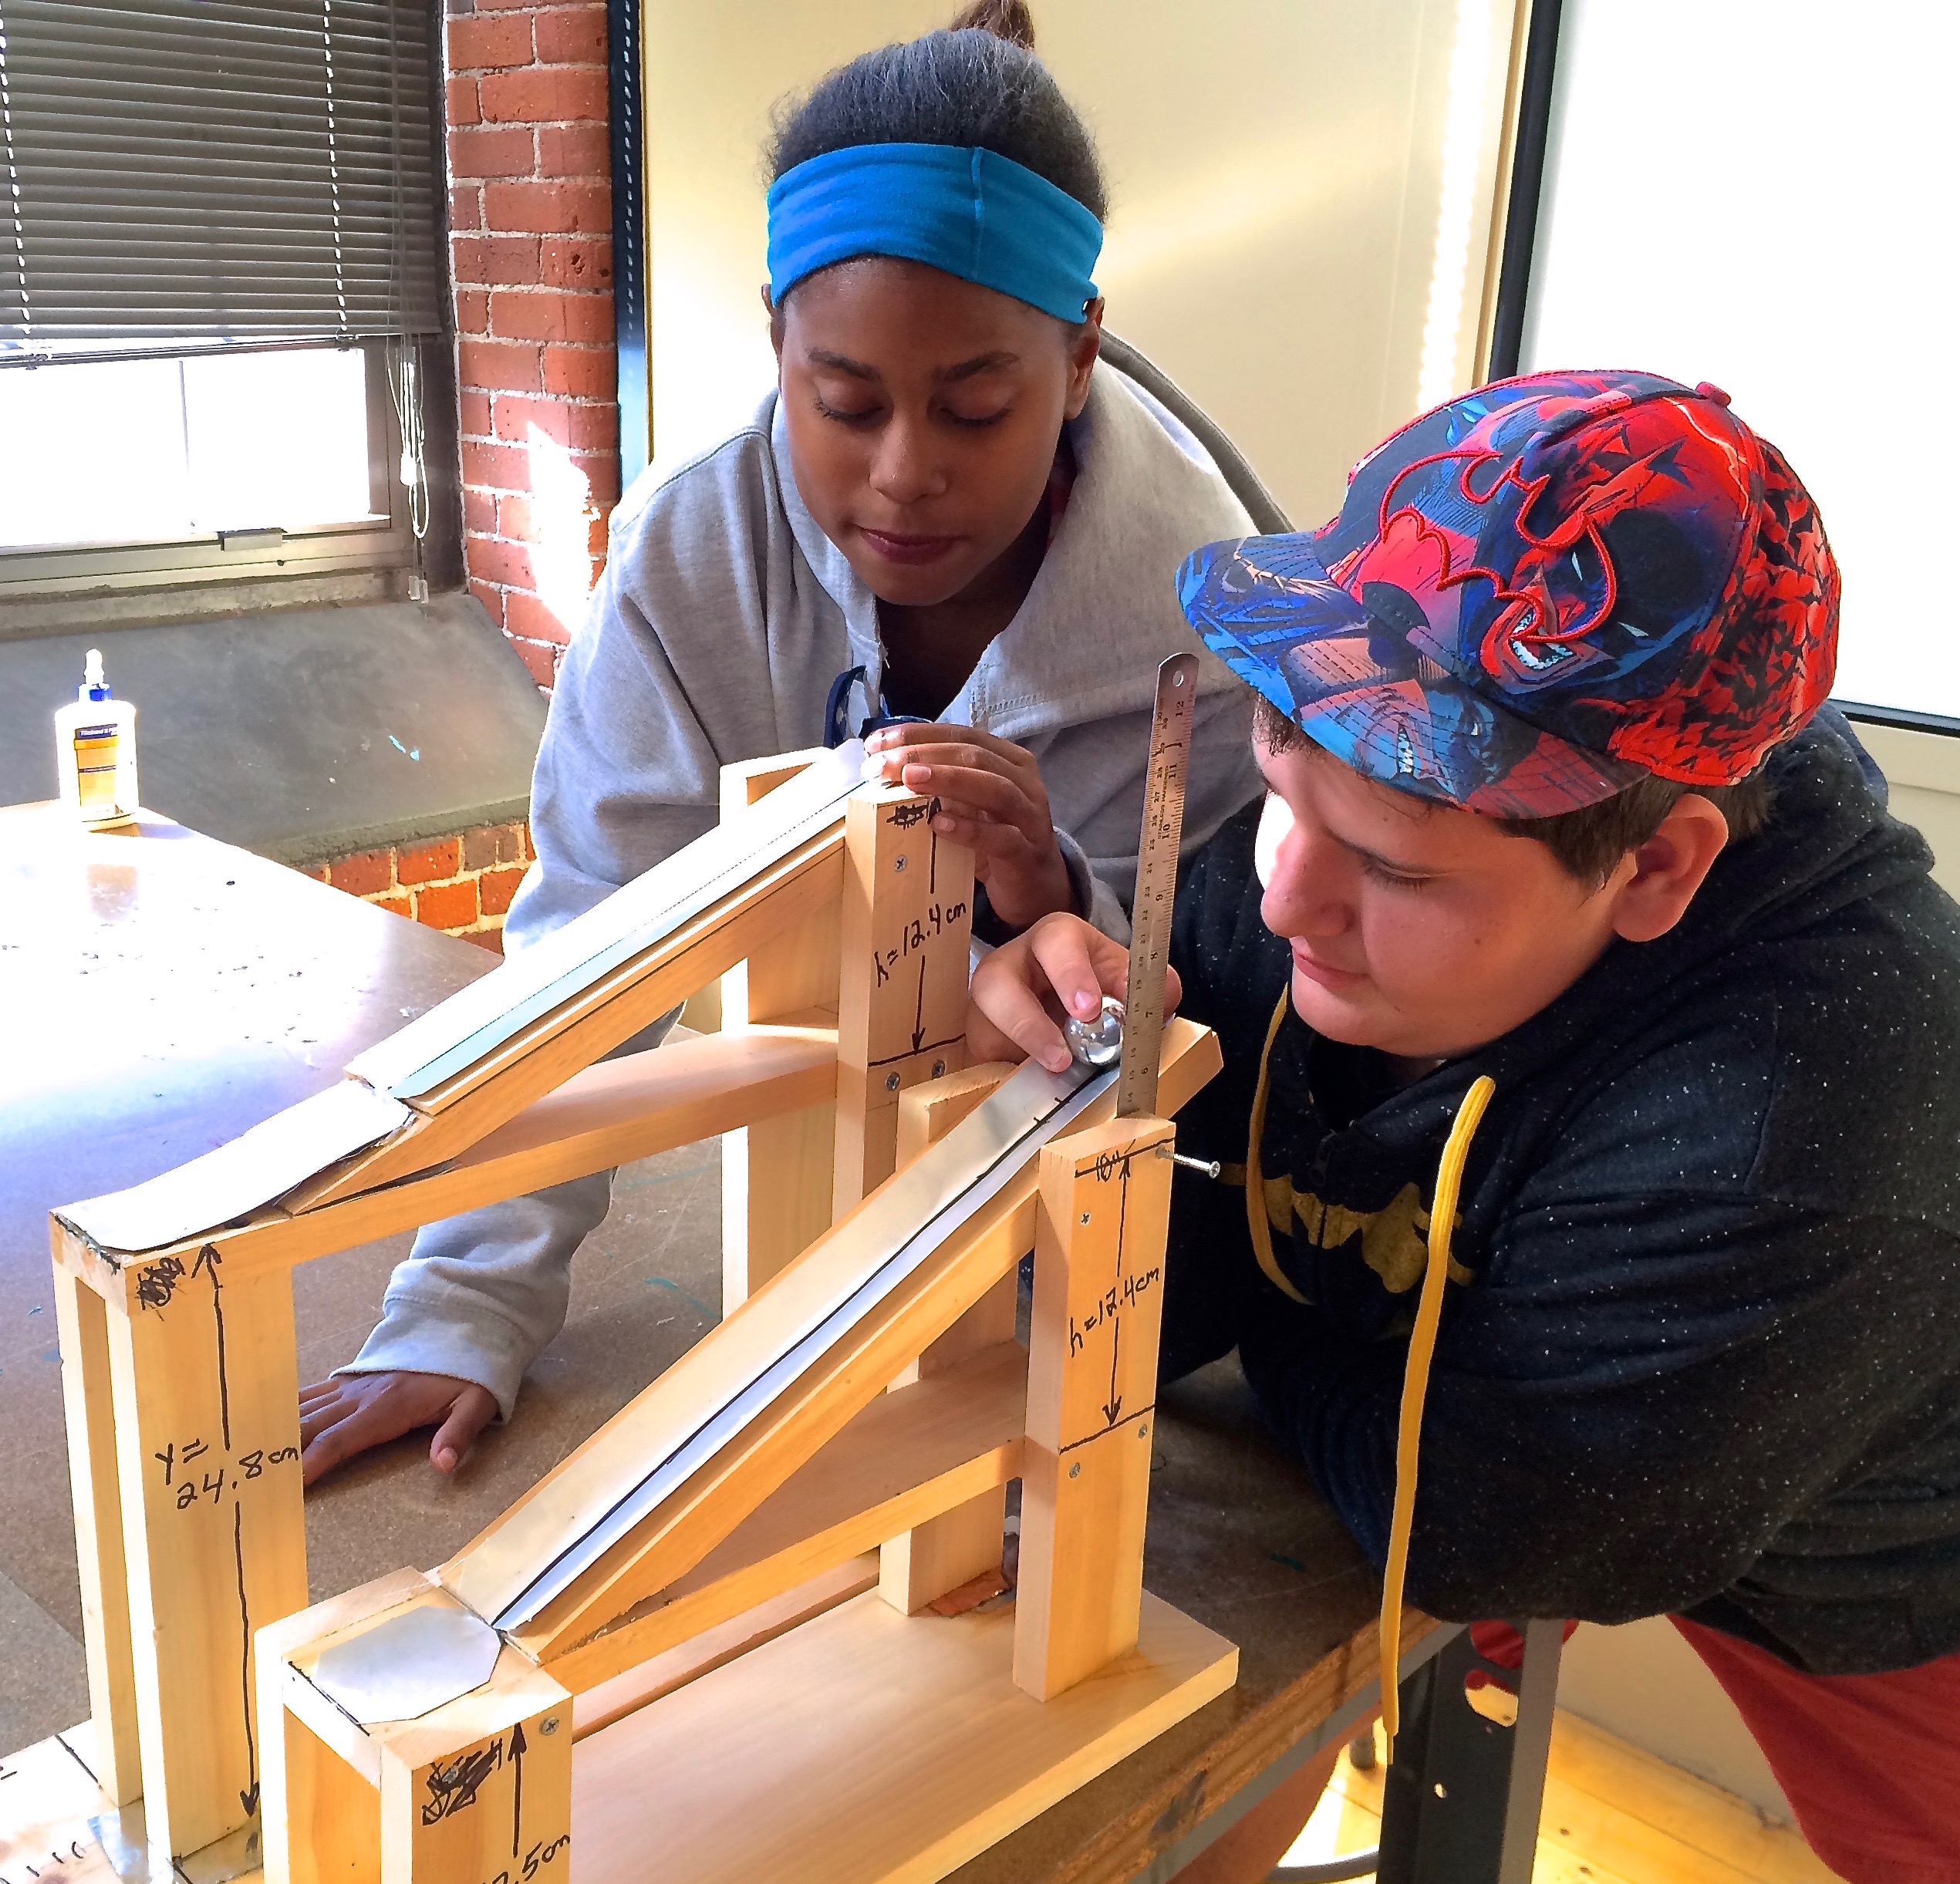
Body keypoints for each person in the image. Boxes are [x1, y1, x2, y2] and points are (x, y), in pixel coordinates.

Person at [968, 369, 1960, 1884]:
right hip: (1563, 1361)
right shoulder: (1385, 801)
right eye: (1280, 780)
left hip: (1884, 1567)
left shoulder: (1804, 1125)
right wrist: (1073, 1098)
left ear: (1654, 871)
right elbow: (1173, 1285)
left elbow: (1486, 1522)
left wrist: (1276, 1268)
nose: (1276, 891)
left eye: (1393, 872)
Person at [298, 2, 1263, 1483]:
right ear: (777, 343)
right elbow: (587, 952)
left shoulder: (1199, 609)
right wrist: (464, 1303)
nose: (903, 476)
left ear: (1075, 361)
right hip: (798, 1184)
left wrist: (1052, 905)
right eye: (844, 401)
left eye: (976, 406)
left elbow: (1186, 1011)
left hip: (1081, 1269)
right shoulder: (689, 560)